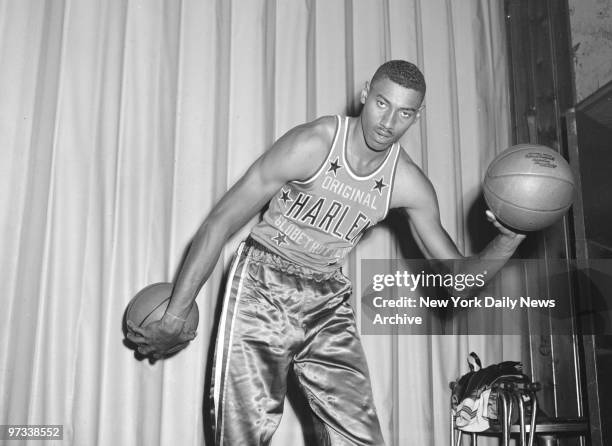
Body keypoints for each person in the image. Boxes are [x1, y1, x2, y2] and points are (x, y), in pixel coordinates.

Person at [126, 60, 525, 445]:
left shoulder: (407, 184)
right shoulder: (313, 143)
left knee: (359, 438)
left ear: (417, 117)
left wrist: (510, 238)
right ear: (366, 95)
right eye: (381, 104)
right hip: (263, 282)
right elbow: (219, 223)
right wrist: (176, 314)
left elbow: (458, 283)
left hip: (327, 297)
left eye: (403, 113)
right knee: (241, 434)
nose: (387, 123)